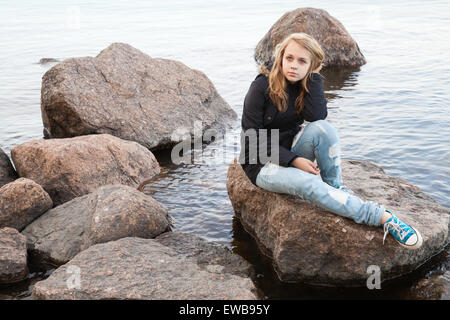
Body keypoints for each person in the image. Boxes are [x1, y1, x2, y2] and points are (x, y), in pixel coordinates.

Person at [239, 32, 422, 249]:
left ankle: (335, 188)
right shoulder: (261, 86)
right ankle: (382, 217)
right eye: (289, 58)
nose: (293, 66)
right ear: (280, 58)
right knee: (309, 184)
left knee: (324, 130)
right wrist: (294, 160)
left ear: (312, 65)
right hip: (261, 165)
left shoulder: (305, 83)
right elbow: (253, 139)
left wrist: (314, 76)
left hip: (288, 152)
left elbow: (316, 117)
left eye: (302, 61)